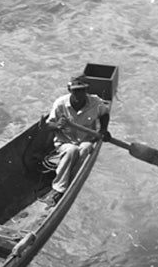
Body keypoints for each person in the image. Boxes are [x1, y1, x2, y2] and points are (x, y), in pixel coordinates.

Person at [43, 77, 111, 206]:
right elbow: (48, 125)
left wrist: (103, 130)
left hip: (86, 139)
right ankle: (59, 188)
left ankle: (72, 180)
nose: (79, 94)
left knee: (85, 148)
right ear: (70, 90)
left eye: (82, 90)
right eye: (75, 91)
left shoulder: (95, 102)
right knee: (71, 150)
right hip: (65, 142)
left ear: (86, 90)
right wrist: (58, 125)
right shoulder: (60, 103)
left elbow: (105, 114)